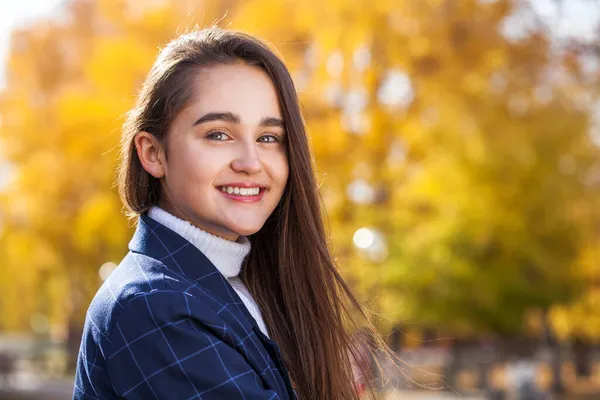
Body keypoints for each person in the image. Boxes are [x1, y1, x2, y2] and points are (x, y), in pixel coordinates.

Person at [73, 27, 381, 399]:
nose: (251, 163)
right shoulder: (154, 306)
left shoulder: (246, 284)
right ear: (152, 153)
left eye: (269, 138)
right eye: (218, 134)